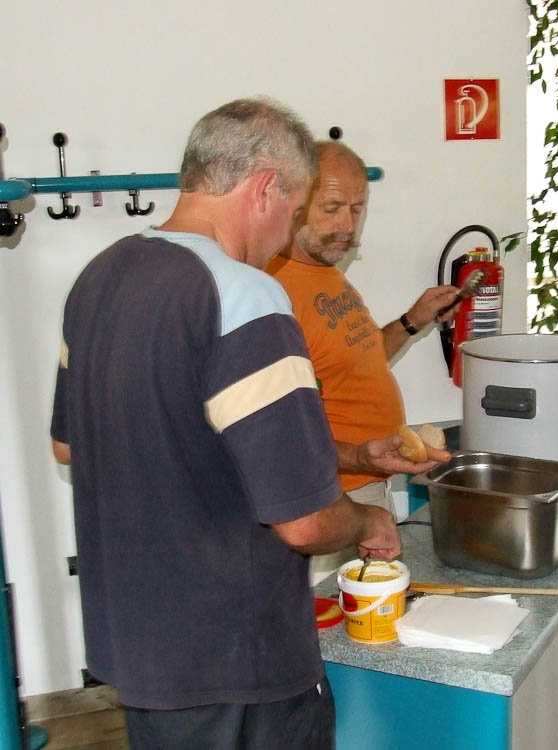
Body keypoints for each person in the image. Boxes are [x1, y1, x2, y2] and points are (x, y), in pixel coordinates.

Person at [49, 98, 401, 750]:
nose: (285, 236)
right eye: (295, 210)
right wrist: (369, 521)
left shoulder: (97, 280)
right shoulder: (245, 296)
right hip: (241, 661)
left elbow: (68, 445)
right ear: (265, 188)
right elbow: (304, 522)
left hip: (144, 650)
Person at [267, 140, 457, 578]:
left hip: (369, 486)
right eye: (332, 208)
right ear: (293, 201)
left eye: (357, 208)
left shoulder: (326, 271)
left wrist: (413, 321)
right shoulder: (275, 291)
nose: (347, 225)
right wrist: (362, 460)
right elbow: (280, 436)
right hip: (331, 502)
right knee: (333, 617)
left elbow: (361, 359)